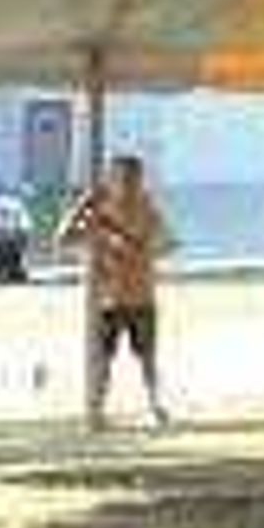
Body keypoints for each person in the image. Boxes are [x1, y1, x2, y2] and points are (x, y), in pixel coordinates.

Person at [61, 153, 173, 430]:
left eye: (135, 177)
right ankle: (97, 410)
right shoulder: (99, 211)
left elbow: (165, 243)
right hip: (108, 300)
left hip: (141, 296)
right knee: (102, 360)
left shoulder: (146, 208)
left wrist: (138, 245)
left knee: (147, 357)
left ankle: (155, 405)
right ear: (112, 180)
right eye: (123, 177)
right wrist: (81, 208)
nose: (130, 184)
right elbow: (63, 238)